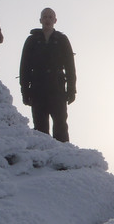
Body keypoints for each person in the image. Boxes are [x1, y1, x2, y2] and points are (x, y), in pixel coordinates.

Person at [19, 8, 76, 142]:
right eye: (45, 17)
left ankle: (63, 156)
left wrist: (72, 89)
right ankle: (42, 157)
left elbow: (70, 67)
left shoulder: (62, 39)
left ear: (55, 20)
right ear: (40, 20)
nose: (47, 19)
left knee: (61, 126)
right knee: (40, 127)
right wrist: (25, 91)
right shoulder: (32, 40)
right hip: (37, 88)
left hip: (57, 88)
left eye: (50, 17)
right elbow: (24, 67)